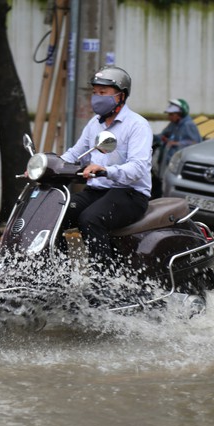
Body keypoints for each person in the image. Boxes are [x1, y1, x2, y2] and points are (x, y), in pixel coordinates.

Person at [60, 66, 152, 273]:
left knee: (90, 219)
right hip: (97, 191)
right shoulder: (95, 124)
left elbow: (138, 167)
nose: (96, 97)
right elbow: (75, 153)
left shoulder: (137, 125)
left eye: (103, 93)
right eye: (95, 92)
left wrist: (106, 169)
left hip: (130, 193)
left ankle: (104, 284)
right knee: (57, 214)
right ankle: (57, 277)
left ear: (121, 95)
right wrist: (47, 165)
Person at [151, 98, 202, 198]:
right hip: (166, 162)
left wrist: (176, 143)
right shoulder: (174, 124)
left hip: (177, 165)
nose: (169, 117)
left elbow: (196, 143)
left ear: (180, 114)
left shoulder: (188, 125)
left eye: (171, 114)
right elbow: (162, 135)